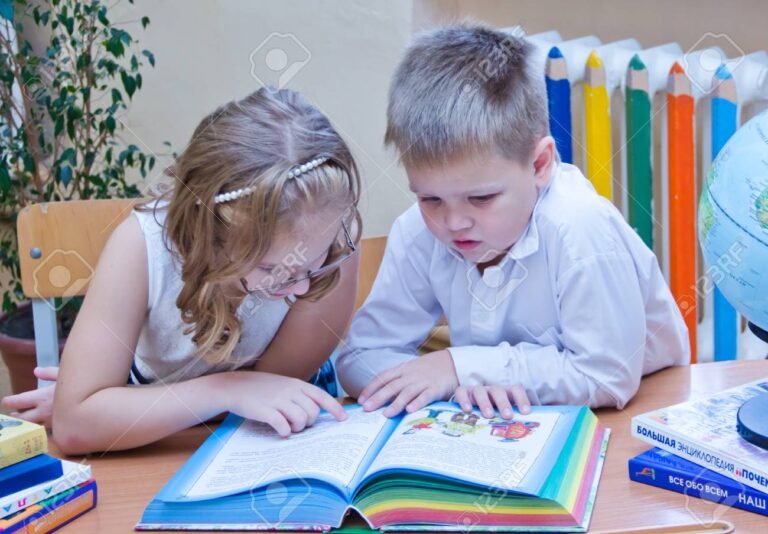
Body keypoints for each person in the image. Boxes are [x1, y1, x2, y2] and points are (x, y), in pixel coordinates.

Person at [336, 24, 689, 420]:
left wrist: (460, 368)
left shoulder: (580, 228)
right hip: (521, 416)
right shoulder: (418, 230)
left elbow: (608, 377)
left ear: (539, 164)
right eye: (429, 198)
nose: (453, 222)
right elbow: (358, 357)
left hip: (643, 408)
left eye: (481, 197)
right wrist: (445, 382)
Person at [3, 87, 361, 454]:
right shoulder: (141, 247)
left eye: (310, 265)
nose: (300, 288)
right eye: (272, 267)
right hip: (166, 446)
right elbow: (76, 427)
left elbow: (268, 398)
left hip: (268, 436)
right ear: (207, 232)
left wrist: (123, 409)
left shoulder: (331, 242)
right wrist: (223, 390)